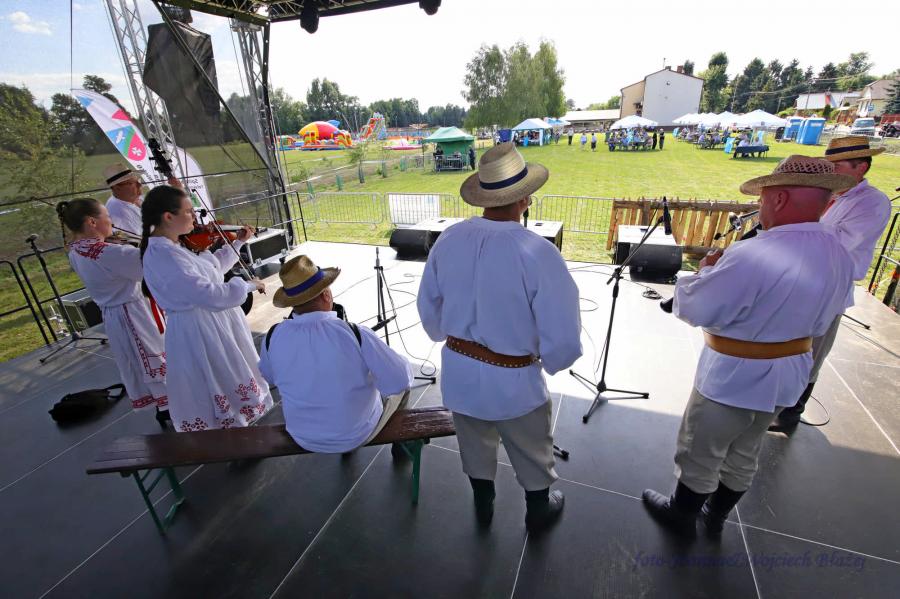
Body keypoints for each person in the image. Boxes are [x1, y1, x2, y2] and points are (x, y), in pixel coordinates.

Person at [642, 156, 856, 538]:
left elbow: (697, 308)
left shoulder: (754, 253)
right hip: (790, 372)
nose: (760, 206)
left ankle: (681, 515)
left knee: (701, 448)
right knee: (746, 449)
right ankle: (716, 517)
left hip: (735, 374)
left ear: (779, 198)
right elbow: (829, 317)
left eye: (763, 198)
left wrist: (706, 271)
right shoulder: (839, 254)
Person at [417, 143, 582, 532]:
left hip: (459, 371)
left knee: (473, 442)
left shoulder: (449, 238)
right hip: (514, 381)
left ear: (484, 195)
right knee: (532, 447)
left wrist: (445, 334)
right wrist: (552, 360)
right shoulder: (538, 252)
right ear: (525, 198)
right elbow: (562, 330)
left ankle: (483, 503)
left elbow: (429, 304)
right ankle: (538, 511)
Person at [770, 136, 892, 431]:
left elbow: (844, 242)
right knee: (782, 345)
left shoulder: (872, 202)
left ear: (861, 167)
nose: (829, 171)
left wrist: (797, 226)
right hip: (798, 278)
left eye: (837, 166)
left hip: (829, 285)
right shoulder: (827, 194)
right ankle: (771, 400)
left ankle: (790, 413)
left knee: (812, 349)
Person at [140, 184, 272, 432]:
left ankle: (236, 420)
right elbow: (208, 294)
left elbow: (211, 271)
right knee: (217, 375)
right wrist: (247, 285)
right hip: (200, 328)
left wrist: (238, 243)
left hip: (209, 322)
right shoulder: (165, 255)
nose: (195, 216)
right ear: (168, 217)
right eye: (188, 211)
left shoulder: (173, 247)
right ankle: (229, 425)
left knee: (225, 372)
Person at [258, 255, 413, 453]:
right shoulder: (355, 334)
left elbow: (269, 376)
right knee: (403, 387)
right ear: (326, 295)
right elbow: (400, 381)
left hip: (302, 434)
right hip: (355, 434)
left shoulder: (273, 336)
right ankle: (402, 447)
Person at [58, 198, 169, 422]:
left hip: (114, 314)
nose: (111, 221)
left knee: (139, 360)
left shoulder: (76, 250)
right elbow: (147, 268)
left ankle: (163, 404)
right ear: (92, 222)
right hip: (133, 313)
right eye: (107, 217)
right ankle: (172, 404)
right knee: (153, 358)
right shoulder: (109, 253)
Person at [104, 164, 144, 237]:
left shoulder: (133, 197)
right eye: (132, 183)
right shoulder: (119, 215)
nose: (139, 185)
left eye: (138, 180)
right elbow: (141, 241)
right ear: (117, 188)